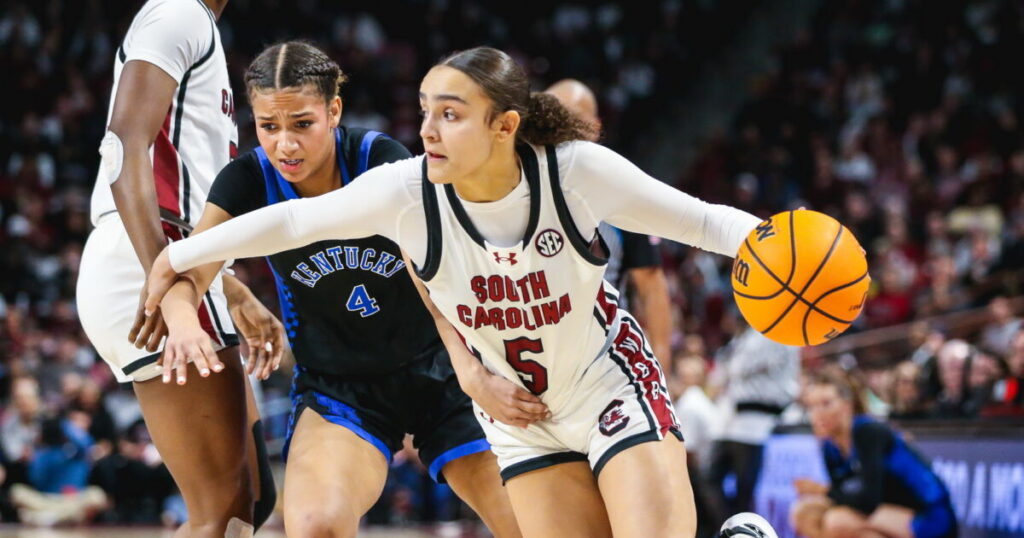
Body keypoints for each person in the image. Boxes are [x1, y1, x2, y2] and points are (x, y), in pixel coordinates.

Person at [145, 46, 764, 537]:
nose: (428, 132)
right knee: (315, 524)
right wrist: (181, 266)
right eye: (426, 113)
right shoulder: (398, 185)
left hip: (498, 377)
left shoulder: (563, 170)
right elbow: (288, 225)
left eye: (450, 114)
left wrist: (780, 242)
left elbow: (707, 223)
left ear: (504, 126)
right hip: (397, 393)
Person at [147, 41, 520, 537]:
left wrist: (473, 373)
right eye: (269, 127)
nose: (285, 145)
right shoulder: (247, 180)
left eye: (302, 124)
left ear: (334, 111)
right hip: (340, 388)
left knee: (529, 524)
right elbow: (184, 272)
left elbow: (433, 284)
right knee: (316, 526)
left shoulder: (379, 160)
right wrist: (181, 322)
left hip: (439, 371)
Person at [74, 0, 278, 535]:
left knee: (250, 501)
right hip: (149, 262)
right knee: (221, 511)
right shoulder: (178, 12)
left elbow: (180, 181)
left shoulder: (194, 22)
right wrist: (166, 288)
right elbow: (123, 148)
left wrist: (229, 286)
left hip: (175, 261)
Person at [545, 79, 673, 364]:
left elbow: (650, 285)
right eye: (550, 119)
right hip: (540, 358)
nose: (558, 129)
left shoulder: (621, 192)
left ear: (594, 127)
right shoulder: (518, 190)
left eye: (570, 119)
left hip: (606, 357)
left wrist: (661, 364)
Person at [791, 367, 956, 538]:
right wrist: (825, 493)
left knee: (839, 521)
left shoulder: (868, 432)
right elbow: (842, 496)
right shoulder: (830, 447)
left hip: (930, 517)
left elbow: (867, 502)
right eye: (811, 407)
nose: (817, 414)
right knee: (805, 513)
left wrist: (822, 490)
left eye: (826, 404)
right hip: (887, 514)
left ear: (847, 405)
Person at [706, 323, 800, 522]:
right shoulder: (745, 336)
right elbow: (722, 375)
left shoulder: (781, 331)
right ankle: (729, 527)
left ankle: (740, 530)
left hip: (759, 422)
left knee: (745, 490)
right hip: (730, 420)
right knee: (709, 479)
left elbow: (738, 368)